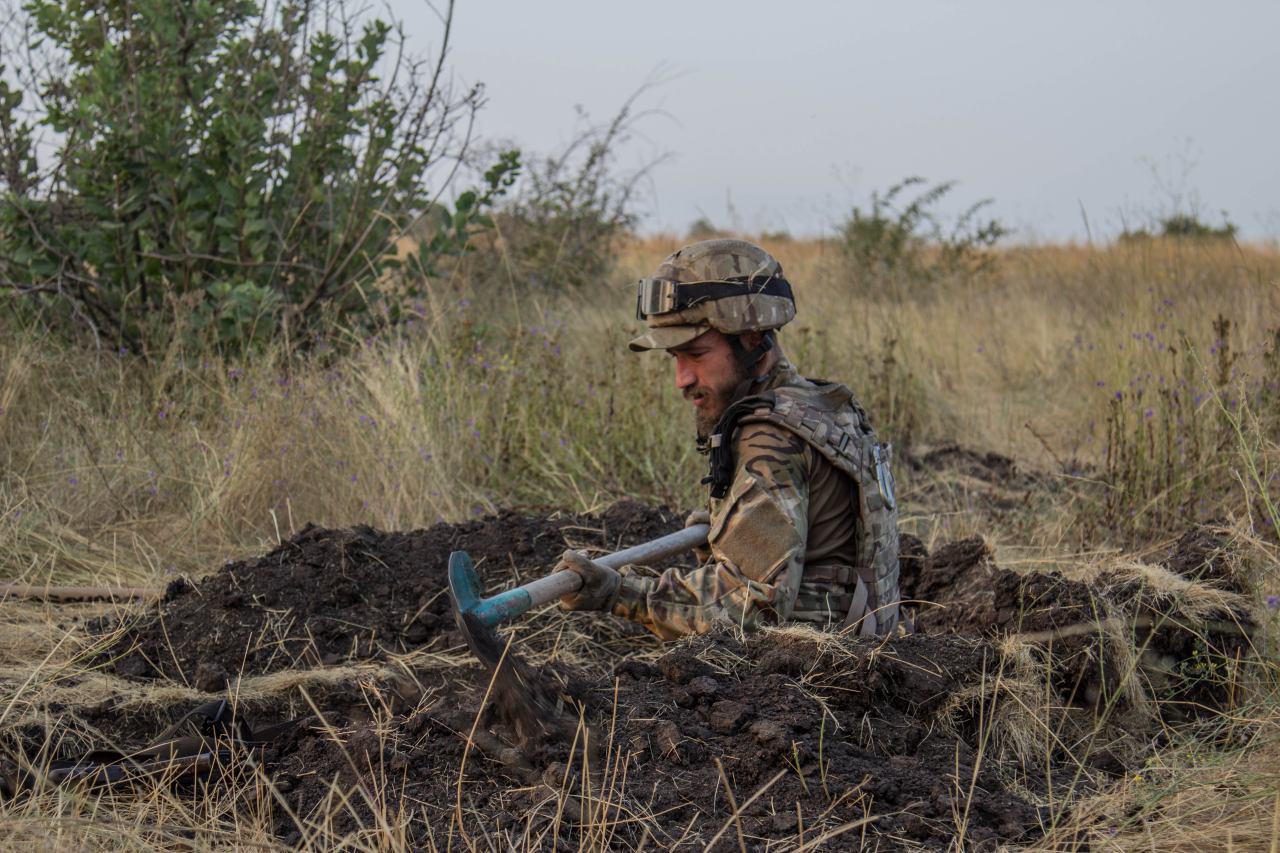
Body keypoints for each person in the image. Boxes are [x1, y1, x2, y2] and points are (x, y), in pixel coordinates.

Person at [557, 238, 901, 640]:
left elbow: (752, 610)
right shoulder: (828, 408)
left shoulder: (770, 438)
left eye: (696, 354)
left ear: (753, 338)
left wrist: (622, 593)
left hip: (815, 682)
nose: (681, 380)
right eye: (674, 358)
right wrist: (724, 541)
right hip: (872, 656)